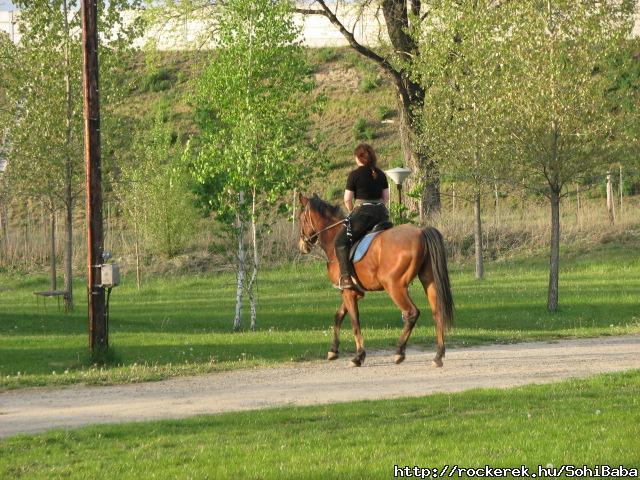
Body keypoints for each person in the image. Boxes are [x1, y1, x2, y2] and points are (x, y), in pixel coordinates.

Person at [334, 143, 390, 290]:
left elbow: (347, 199)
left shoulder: (354, 175)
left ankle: (346, 277)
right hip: (382, 214)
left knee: (340, 242)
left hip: (363, 214)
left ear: (358, 158)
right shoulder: (381, 174)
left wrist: (353, 211)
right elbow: (386, 197)